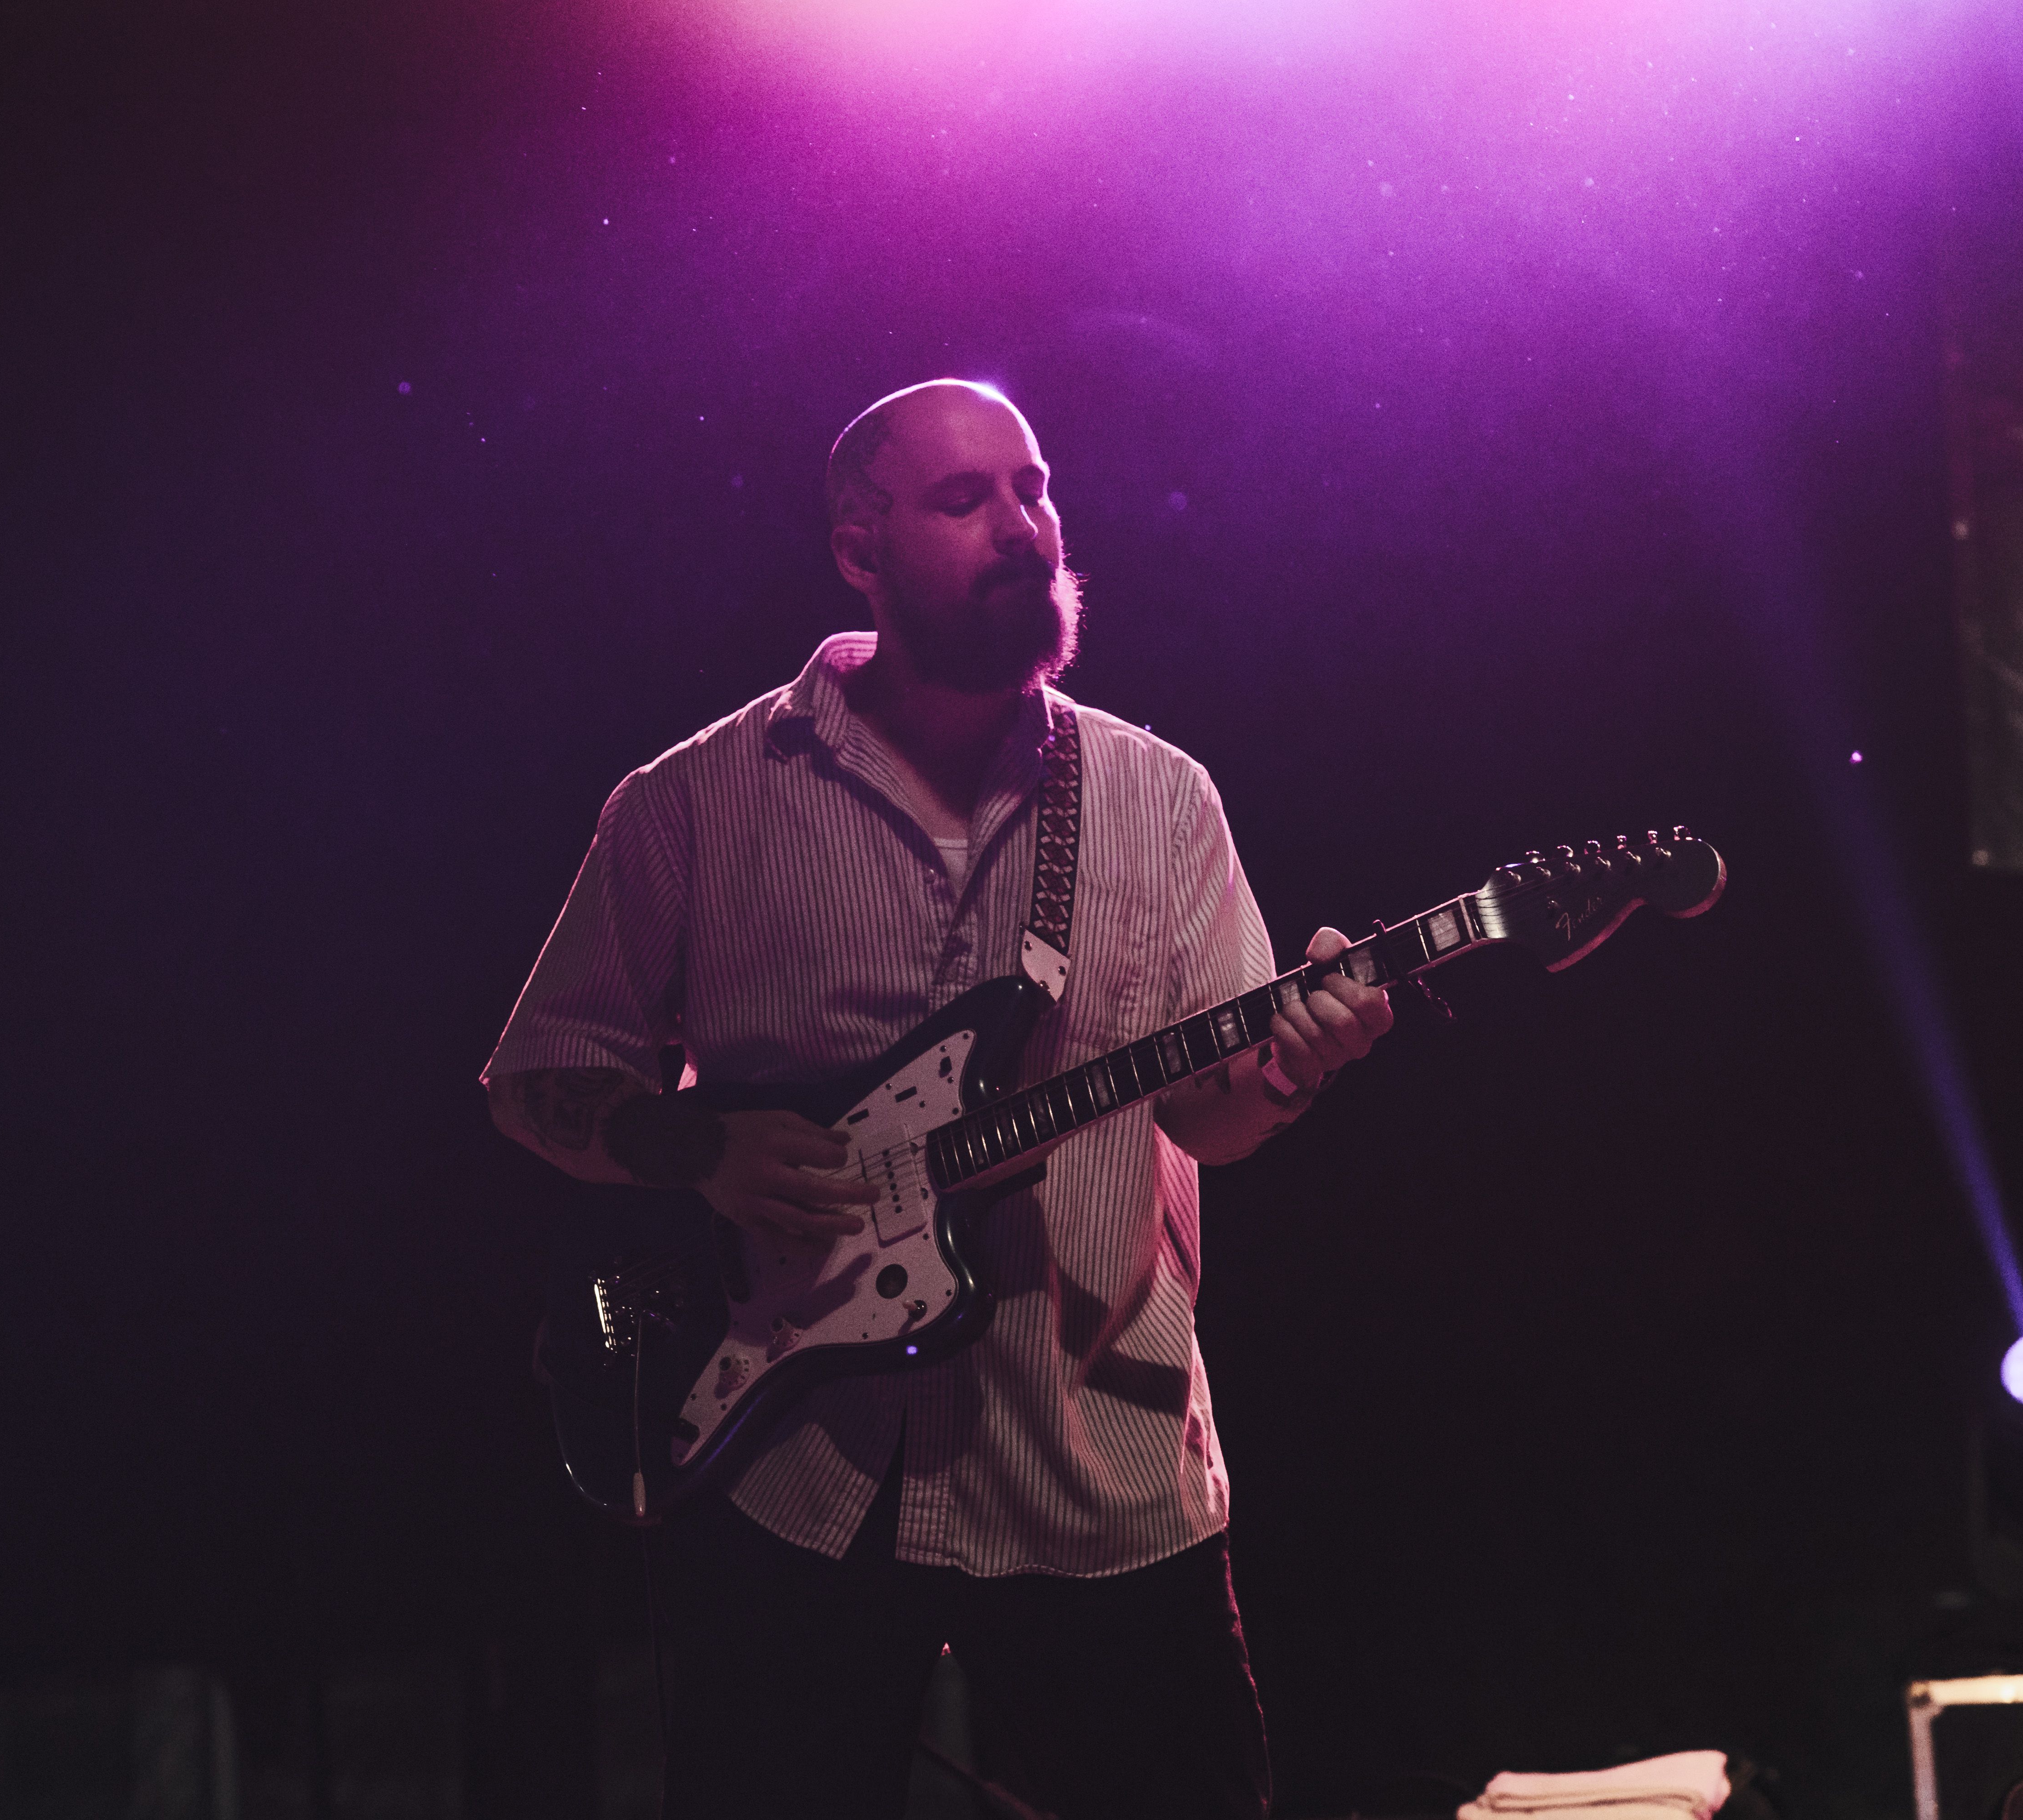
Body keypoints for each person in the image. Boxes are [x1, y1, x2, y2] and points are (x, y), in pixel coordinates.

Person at [482, 379, 1392, 1819]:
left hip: (1098, 1469)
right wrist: (703, 1147)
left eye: (1033, 489)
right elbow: (540, 1080)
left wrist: (1295, 1068)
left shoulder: (1161, 798)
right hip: (796, 1473)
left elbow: (1213, 1114)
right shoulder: (693, 804)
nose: (1023, 527)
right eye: (965, 501)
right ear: (860, 551)